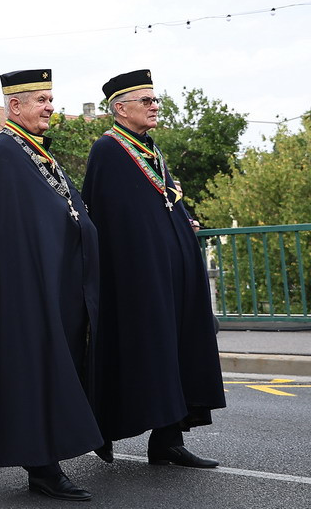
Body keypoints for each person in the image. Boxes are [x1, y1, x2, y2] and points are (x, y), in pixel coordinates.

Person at [0, 69, 101, 502]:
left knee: (55, 369)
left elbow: (63, 206)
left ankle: (48, 460)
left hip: (53, 280)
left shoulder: (33, 149)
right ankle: (42, 468)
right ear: (15, 105)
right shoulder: (5, 152)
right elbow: (19, 229)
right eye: (41, 100)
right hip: (26, 289)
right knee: (35, 372)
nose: (50, 107)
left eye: (50, 99)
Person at [83, 69, 225, 468]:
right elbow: (108, 220)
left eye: (155, 99)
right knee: (148, 351)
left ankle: (168, 439)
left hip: (171, 272)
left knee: (177, 350)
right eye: (146, 101)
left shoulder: (149, 148)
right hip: (139, 279)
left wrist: (183, 221)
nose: (155, 106)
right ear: (120, 108)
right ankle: (117, 430)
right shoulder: (108, 150)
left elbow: (162, 200)